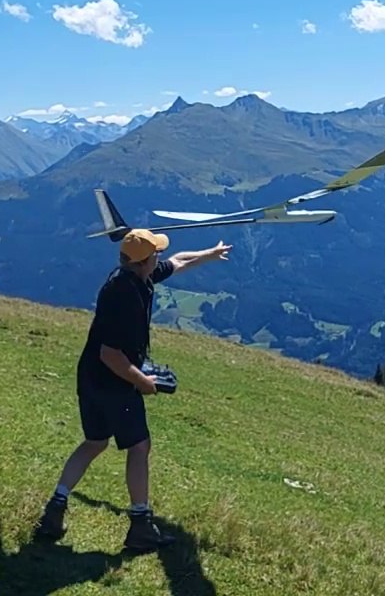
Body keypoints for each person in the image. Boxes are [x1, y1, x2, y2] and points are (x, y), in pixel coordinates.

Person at [34, 227, 232, 551]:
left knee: (95, 442)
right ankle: (140, 525)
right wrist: (143, 382)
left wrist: (209, 254)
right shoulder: (121, 295)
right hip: (114, 382)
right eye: (156, 253)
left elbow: (179, 261)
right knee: (139, 447)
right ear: (143, 261)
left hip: (90, 379)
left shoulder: (137, 276)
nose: (161, 256)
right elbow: (110, 354)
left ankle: (55, 507)